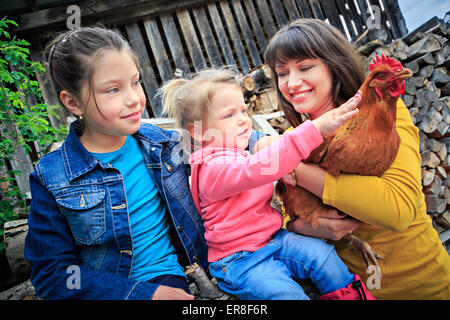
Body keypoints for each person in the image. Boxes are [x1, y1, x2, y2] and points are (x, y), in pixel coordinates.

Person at [264, 18, 450, 299]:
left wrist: (292, 166)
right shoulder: (293, 136)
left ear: (333, 65)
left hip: (423, 283)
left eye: (305, 67)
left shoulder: (382, 116)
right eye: (282, 73)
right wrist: (302, 224)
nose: (292, 83)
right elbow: (288, 209)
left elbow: (397, 210)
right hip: (355, 291)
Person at [24, 26, 210, 300]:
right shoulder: (51, 176)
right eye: (112, 89)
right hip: (102, 291)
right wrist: (142, 295)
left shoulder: (164, 146)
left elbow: (223, 140)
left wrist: (259, 142)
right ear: (73, 102)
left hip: (167, 278)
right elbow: (52, 273)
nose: (134, 99)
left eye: (135, 82)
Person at [158, 68, 375, 300]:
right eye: (229, 115)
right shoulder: (211, 167)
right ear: (198, 131)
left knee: (324, 257)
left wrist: (283, 172)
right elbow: (254, 171)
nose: (243, 119)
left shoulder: (236, 155)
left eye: (243, 110)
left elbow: (257, 171)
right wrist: (314, 131)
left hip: (272, 239)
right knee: (286, 294)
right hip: (240, 260)